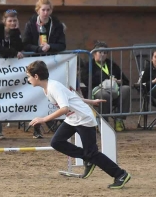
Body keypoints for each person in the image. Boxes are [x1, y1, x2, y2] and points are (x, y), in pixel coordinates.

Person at [26, 60, 131, 189]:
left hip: (84, 119)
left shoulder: (53, 87)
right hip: (73, 119)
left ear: (36, 76)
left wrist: (44, 119)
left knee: (92, 153)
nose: (28, 79)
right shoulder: (48, 88)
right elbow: (72, 97)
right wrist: (91, 101)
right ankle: (87, 158)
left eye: (29, 76)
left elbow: (64, 108)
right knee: (56, 142)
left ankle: (120, 174)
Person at [23, 0, 66, 138]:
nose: (46, 13)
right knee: (35, 96)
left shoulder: (57, 25)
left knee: (50, 94)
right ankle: (36, 127)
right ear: (38, 11)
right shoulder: (30, 24)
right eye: (43, 10)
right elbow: (25, 44)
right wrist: (37, 48)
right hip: (35, 63)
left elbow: (62, 45)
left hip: (52, 64)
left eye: (48, 10)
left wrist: (50, 46)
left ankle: (54, 123)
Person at [81, 41, 130, 131]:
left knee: (126, 89)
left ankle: (119, 119)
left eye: (105, 52)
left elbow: (125, 81)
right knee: (104, 95)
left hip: (114, 89)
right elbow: (86, 80)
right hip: (97, 90)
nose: (102, 54)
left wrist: (118, 81)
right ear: (94, 53)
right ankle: (104, 121)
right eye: (100, 52)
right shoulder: (88, 65)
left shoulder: (112, 64)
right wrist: (105, 81)